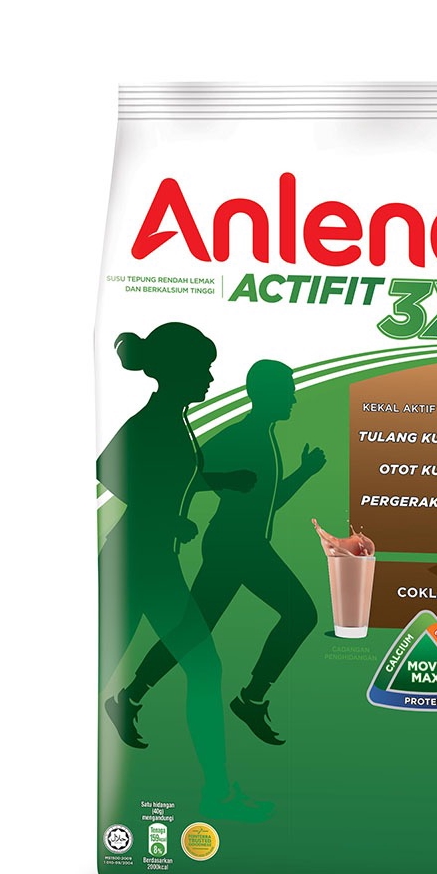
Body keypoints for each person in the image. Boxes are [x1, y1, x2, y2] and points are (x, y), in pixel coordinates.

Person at [97, 322, 270, 822]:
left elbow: (172, 474)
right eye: (203, 370)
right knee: (199, 667)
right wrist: (164, 517)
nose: (211, 379)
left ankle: (217, 791)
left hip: (150, 561)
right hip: (138, 562)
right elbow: (106, 469)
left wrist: (222, 480)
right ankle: (218, 794)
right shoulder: (153, 421)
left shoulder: (175, 419)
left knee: (196, 667)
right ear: (178, 372)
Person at [107, 359, 326, 748]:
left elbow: (270, 502)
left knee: (192, 631)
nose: (293, 398)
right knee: (301, 614)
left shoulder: (265, 437)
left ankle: (131, 698)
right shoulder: (240, 436)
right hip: (235, 547)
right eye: (287, 391)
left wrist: (304, 473)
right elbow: (188, 477)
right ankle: (250, 699)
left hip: (244, 545)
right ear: (266, 395)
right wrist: (177, 516)